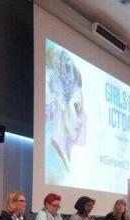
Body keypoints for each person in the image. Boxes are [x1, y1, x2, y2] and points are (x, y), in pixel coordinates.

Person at [45, 43, 87, 185]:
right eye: (76, 107)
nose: (80, 120)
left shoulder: (63, 159)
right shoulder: (50, 161)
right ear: (62, 101)